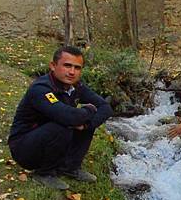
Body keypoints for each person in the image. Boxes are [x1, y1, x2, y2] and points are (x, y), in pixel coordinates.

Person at [8, 45, 113, 190]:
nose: (72, 72)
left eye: (77, 68)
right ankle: (45, 173)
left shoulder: (76, 86)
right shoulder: (41, 89)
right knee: (63, 124)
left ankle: (70, 167)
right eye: (67, 66)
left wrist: (87, 125)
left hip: (50, 141)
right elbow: (68, 117)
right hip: (25, 148)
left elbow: (106, 107)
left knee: (87, 124)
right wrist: (88, 110)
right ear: (53, 66)